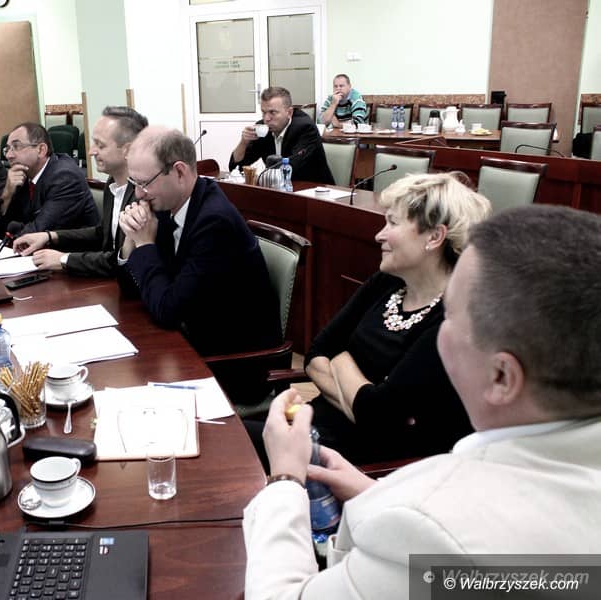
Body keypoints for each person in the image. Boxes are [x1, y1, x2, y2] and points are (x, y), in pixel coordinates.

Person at [243, 204, 601, 599]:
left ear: (502, 376)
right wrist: (374, 493)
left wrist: (286, 481)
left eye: (450, 316)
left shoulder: (427, 528)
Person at [293, 173, 491, 465]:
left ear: (434, 237)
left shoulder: (454, 317)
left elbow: (380, 415)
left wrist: (340, 360)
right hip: (312, 426)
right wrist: (363, 400)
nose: (379, 235)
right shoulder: (386, 282)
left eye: (393, 223)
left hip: (360, 465)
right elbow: (316, 355)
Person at [118, 126, 281, 357]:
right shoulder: (165, 205)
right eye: (133, 182)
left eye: (144, 183)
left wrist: (144, 244)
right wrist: (131, 239)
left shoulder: (215, 222)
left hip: (231, 357)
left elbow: (169, 311)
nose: (138, 194)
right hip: (189, 338)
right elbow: (132, 288)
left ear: (180, 172)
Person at [13, 106, 147, 276]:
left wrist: (64, 259)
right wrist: (50, 236)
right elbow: (102, 233)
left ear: (127, 150)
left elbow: (121, 260)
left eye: (100, 145)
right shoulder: (113, 183)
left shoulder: (144, 194)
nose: (91, 152)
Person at [0, 122, 99, 238]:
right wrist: (7, 193)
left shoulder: (65, 177)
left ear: (41, 150)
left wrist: (11, 231)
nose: (9, 155)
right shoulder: (22, 175)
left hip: (71, 248)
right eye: (7, 149)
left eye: (16, 147)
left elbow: (38, 233)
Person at [229, 86, 334, 185]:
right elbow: (235, 168)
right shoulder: (263, 129)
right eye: (264, 112)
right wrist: (243, 142)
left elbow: (292, 169)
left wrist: (260, 177)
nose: (266, 119)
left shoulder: (305, 128)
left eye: (272, 112)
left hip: (315, 190)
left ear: (289, 112)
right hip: (279, 189)